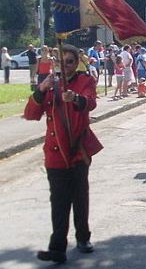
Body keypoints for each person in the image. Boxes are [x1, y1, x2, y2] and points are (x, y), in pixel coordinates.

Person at [23, 44, 103, 264]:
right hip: (55, 151)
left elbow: (90, 102)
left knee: (80, 195)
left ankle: (83, 237)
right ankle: (57, 247)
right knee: (58, 200)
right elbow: (30, 114)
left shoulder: (85, 80)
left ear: (76, 63)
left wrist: (75, 98)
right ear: (55, 63)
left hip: (78, 149)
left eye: (70, 61)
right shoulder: (49, 83)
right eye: (61, 61)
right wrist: (40, 90)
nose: (66, 66)